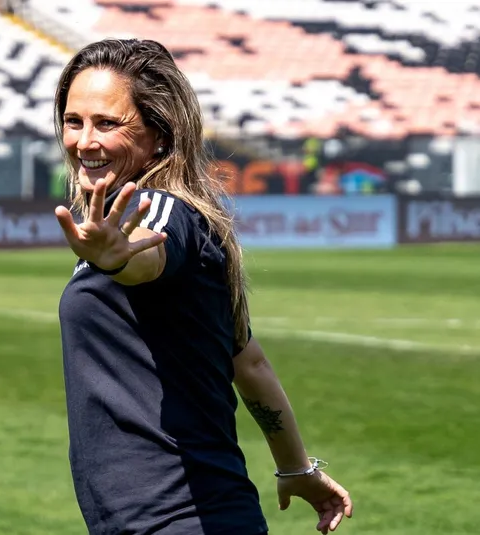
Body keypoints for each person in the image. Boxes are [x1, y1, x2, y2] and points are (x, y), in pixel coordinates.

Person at [54, 38, 353, 535]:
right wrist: (296, 467)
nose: (84, 141)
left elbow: (150, 253)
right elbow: (249, 363)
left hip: (181, 520)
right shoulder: (158, 223)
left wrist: (120, 257)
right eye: (73, 121)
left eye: (107, 123)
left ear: (159, 134)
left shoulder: (161, 210)